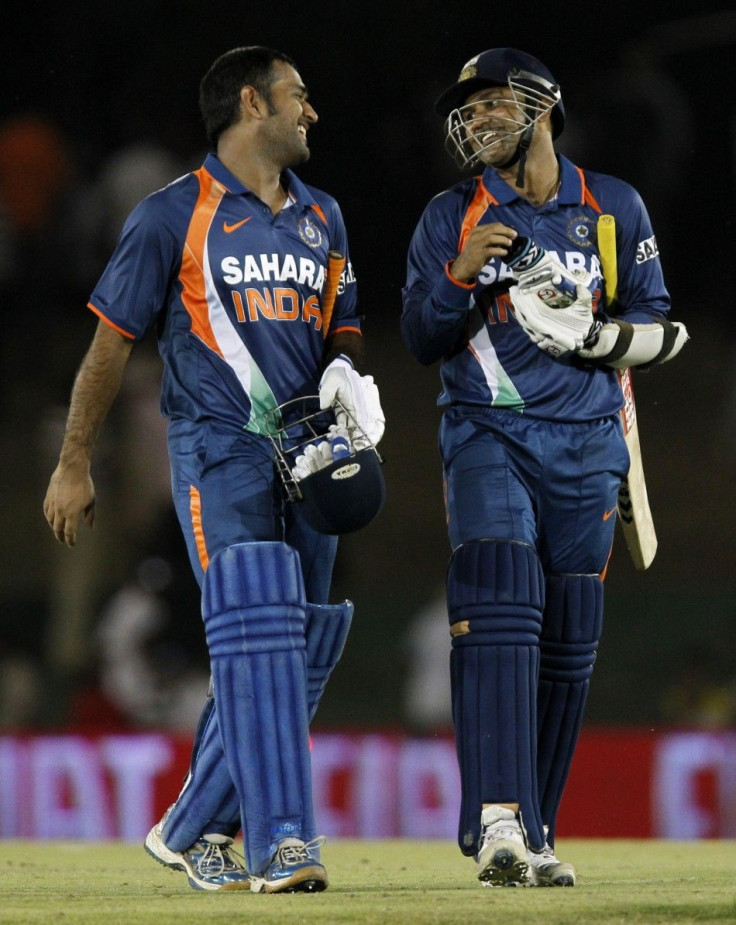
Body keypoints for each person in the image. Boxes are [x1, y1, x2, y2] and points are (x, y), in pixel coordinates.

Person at [44, 45, 385, 894]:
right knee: (260, 624)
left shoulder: (324, 216)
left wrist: (347, 370)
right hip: (218, 448)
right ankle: (284, 844)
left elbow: (342, 320)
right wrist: (74, 461)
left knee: (305, 635)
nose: (311, 113)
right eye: (298, 97)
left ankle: (192, 825)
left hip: (310, 455)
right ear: (250, 104)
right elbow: (110, 343)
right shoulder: (172, 214)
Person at [401, 47, 687, 888]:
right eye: (470, 108)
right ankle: (495, 820)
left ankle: (534, 829)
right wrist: (460, 276)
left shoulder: (611, 207)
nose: (477, 119)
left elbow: (662, 328)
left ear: (541, 108)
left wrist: (593, 338)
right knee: (498, 600)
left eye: (493, 103)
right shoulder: (451, 214)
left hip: (590, 444)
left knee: (567, 643)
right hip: (490, 432)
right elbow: (422, 336)